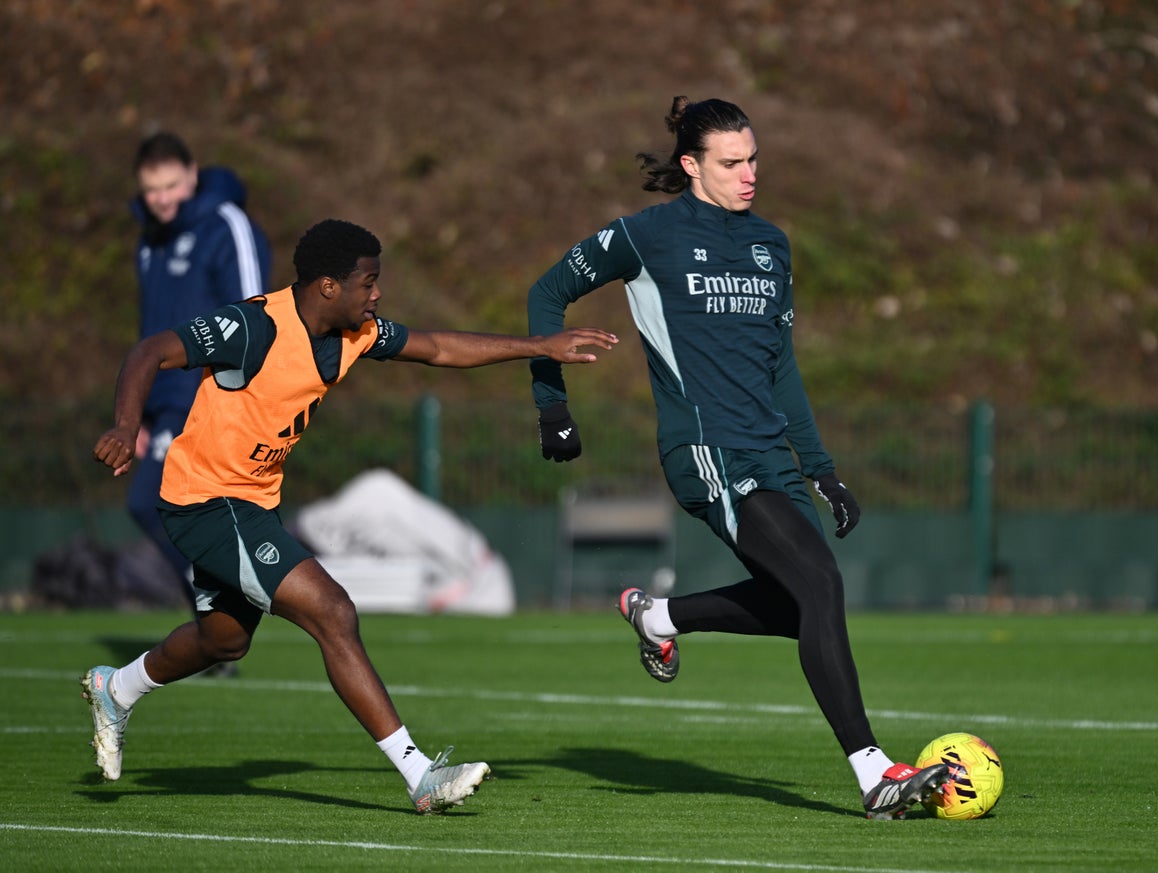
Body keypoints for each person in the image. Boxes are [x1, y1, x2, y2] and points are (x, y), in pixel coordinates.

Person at [84, 218, 618, 814]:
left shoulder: (355, 332)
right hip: (205, 501)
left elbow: (438, 348)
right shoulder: (252, 326)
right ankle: (420, 775)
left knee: (223, 642)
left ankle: (117, 687)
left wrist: (538, 348)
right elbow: (151, 350)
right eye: (369, 282)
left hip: (253, 504)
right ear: (328, 287)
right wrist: (127, 425)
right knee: (333, 612)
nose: (377, 294)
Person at [526, 96, 950, 820]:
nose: (748, 173)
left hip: (770, 453)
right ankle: (874, 770)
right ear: (691, 166)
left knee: (800, 604)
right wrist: (553, 406)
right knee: (819, 584)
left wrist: (822, 470)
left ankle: (660, 616)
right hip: (706, 449)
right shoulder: (645, 235)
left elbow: (782, 363)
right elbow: (547, 292)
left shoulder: (771, 244)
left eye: (753, 158)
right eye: (731, 162)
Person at [128, 131, 272, 612]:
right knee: (164, 507)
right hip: (167, 405)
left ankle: (224, 608)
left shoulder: (226, 225)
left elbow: (254, 312)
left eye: (171, 185)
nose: (162, 199)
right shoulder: (150, 243)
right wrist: (144, 414)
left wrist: (242, 396)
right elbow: (152, 334)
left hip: (209, 398)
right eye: (152, 190)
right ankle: (220, 619)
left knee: (152, 502)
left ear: (192, 174)